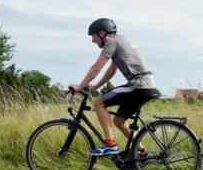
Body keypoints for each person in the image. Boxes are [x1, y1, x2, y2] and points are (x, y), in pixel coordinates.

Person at [68, 18, 160, 156]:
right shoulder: (121, 40)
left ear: (102, 33)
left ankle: (110, 145)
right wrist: (94, 87)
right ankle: (143, 153)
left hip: (138, 85)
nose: (93, 40)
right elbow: (111, 70)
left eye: (93, 36)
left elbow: (96, 68)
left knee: (98, 102)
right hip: (146, 86)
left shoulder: (111, 42)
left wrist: (79, 87)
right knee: (119, 121)